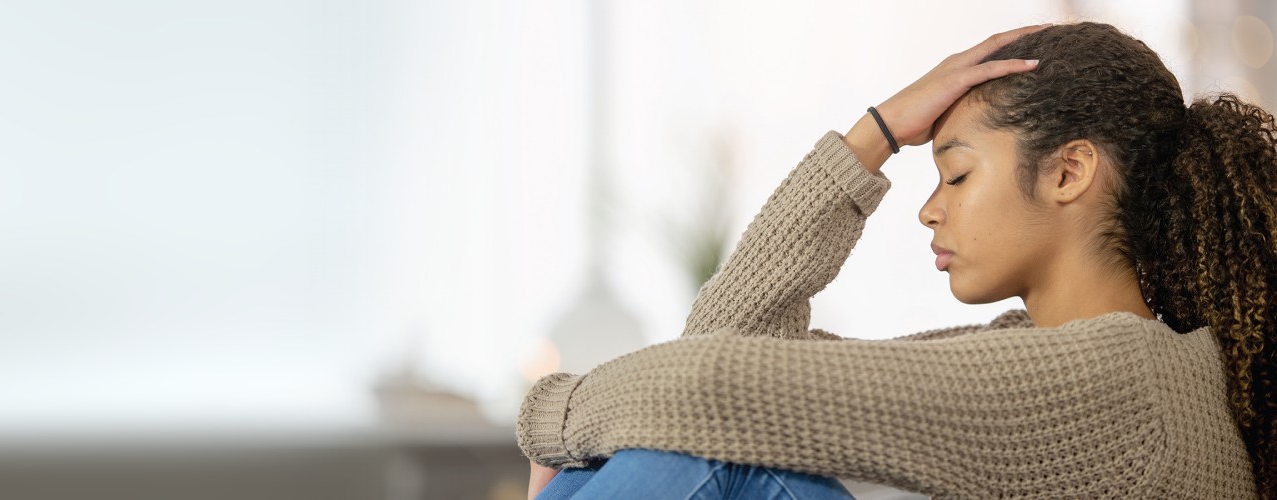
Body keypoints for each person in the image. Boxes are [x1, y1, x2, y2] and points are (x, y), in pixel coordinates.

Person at [519, 22, 1273, 499]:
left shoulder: (1112, 384)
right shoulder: (1086, 358)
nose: (929, 208)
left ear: (1068, 172)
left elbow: (715, 383)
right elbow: (729, 349)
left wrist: (550, 419)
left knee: (729, 455)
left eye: (958, 174)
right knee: (716, 443)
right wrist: (874, 133)